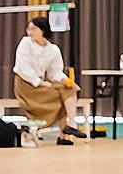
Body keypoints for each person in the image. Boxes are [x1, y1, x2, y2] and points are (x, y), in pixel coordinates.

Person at [12, 17, 86, 145]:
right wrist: (39, 82)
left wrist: (65, 80)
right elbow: (23, 69)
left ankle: (70, 125)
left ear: (43, 30)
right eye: (28, 29)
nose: (30, 32)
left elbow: (55, 72)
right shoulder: (25, 43)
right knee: (62, 94)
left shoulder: (53, 49)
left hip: (41, 84)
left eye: (33, 29)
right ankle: (64, 132)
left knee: (70, 88)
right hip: (26, 85)